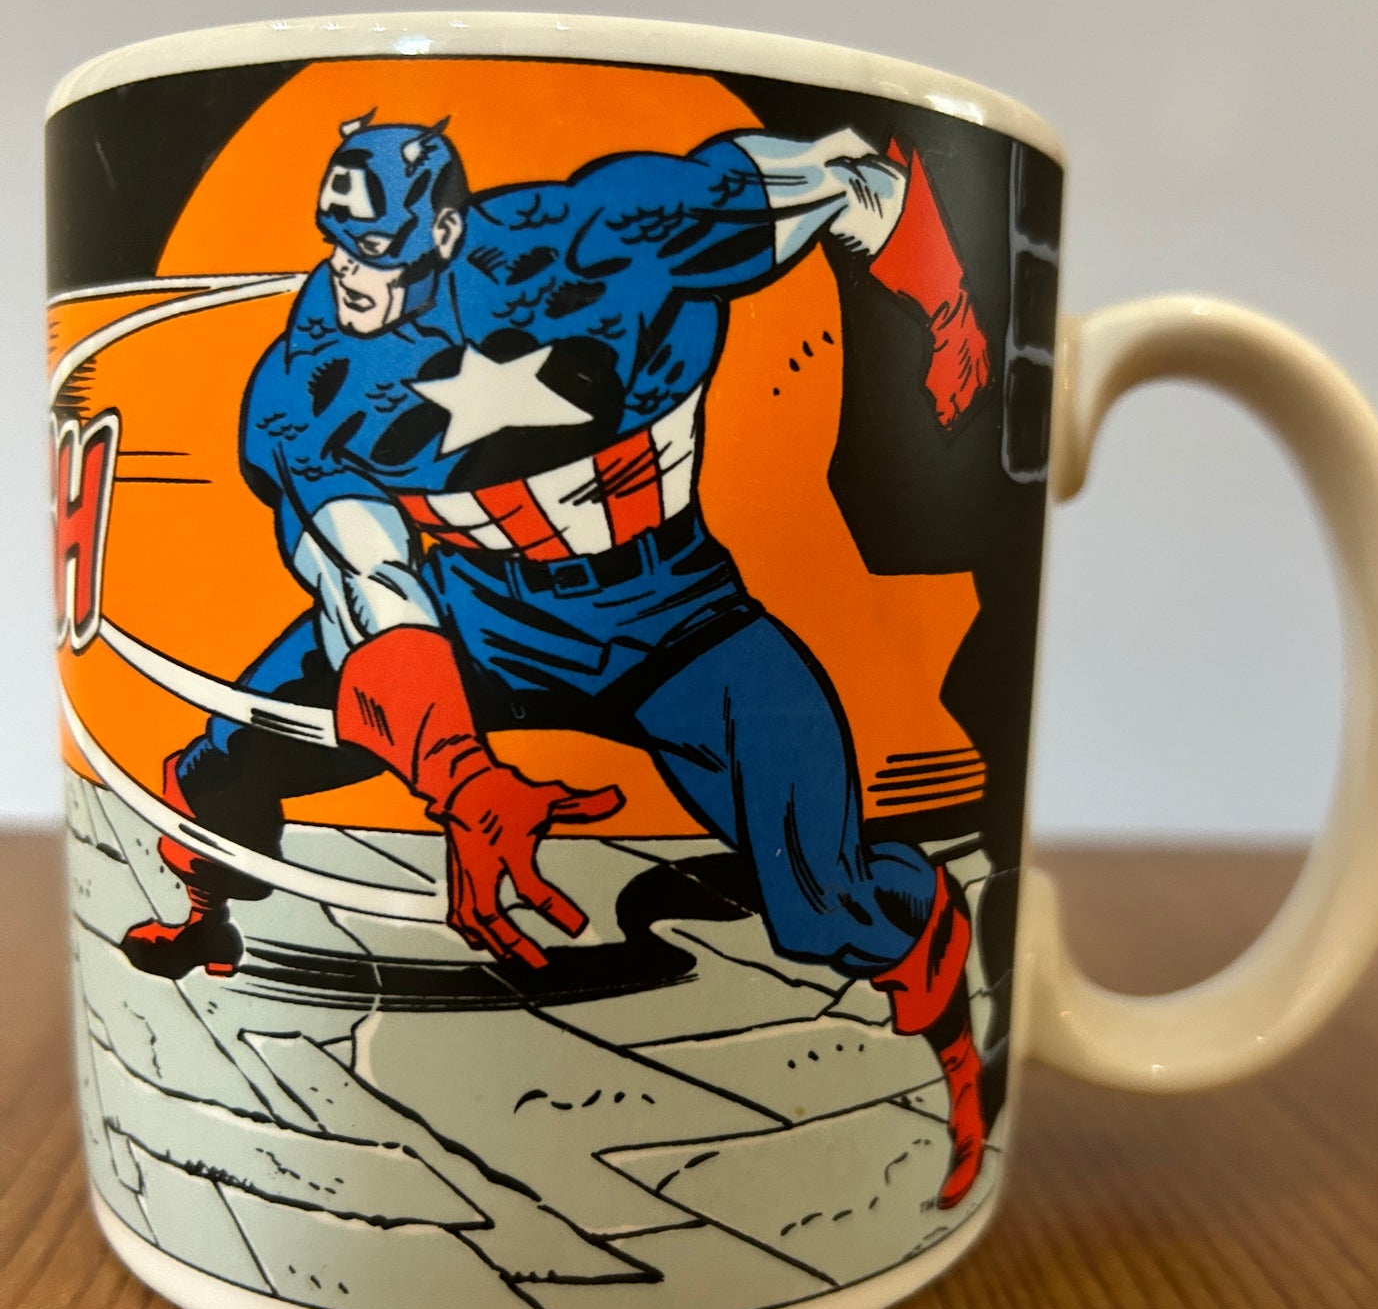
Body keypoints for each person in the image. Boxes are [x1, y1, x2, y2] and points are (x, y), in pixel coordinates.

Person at [124, 111, 995, 1205]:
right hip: (476, 614)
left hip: (678, 615)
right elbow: (369, 587)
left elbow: (845, 183)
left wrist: (951, 314)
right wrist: (461, 777)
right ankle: (206, 912)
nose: (349, 276)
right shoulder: (310, 382)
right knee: (230, 753)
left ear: (445, 233)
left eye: (378, 251)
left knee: (826, 891)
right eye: (338, 244)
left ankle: (962, 1070)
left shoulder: (614, 234)